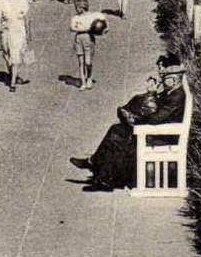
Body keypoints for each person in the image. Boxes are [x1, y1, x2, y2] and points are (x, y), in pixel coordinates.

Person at [69, 57, 186, 190]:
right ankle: (101, 174)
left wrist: (137, 120)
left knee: (119, 136)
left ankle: (101, 174)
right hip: (158, 132)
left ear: (174, 80)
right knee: (116, 129)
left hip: (162, 137)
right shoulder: (172, 92)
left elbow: (157, 118)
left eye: (166, 78)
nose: (163, 81)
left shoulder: (176, 97)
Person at [0, 0, 32, 92]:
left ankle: (12, 83)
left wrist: (28, 35)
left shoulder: (22, 1)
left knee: (15, 55)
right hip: (5, 30)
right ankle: (13, 75)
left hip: (18, 29)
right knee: (5, 54)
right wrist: (0, 29)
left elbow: (27, 19)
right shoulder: (2, 0)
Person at [69, 0, 107, 90]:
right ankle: (83, 82)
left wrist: (104, 28)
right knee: (81, 62)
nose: (76, 10)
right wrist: (86, 28)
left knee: (88, 62)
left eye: (76, 7)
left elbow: (102, 18)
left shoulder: (91, 16)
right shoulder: (75, 17)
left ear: (81, 8)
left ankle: (89, 77)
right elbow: (72, 28)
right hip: (79, 39)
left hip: (89, 39)